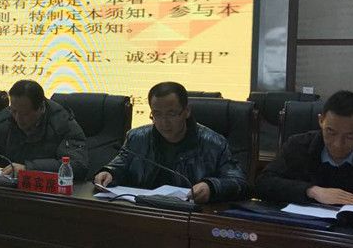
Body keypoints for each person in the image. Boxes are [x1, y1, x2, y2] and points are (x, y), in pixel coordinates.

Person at [256, 90, 353, 227]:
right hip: (306, 233)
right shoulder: (298, 146)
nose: (338, 144)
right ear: (321, 121)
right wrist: (312, 191)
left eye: (349, 136)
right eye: (331, 132)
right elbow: (263, 184)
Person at [94, 82, 247, 203]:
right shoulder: (137, 138)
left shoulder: (214, 144)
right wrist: (109, 173)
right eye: (157, 114)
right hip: (144, 211)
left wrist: (211, 187)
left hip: (190, 216)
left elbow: (238, 181)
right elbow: (119, 166)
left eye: (171, 114)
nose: (164, 122)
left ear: (186, 111)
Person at [0, 80, 88, 180]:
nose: (18, 118)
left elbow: (78, 165)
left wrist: (28, 169)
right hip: (9, 190)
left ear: (41, 108)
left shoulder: (62, 123)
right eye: (14, 111)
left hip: (50, 194)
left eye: (24, 114)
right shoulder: (6, 119)